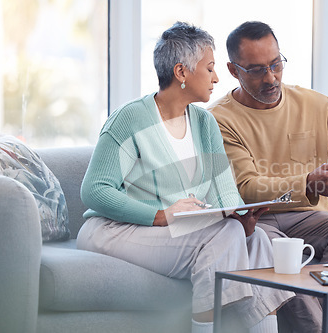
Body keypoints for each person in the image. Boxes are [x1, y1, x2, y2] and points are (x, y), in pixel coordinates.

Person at [76, 22, 293, 333]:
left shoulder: (205, 123)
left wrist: (242, 216)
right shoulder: (130, 119)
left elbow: (225, 192)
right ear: (181, 73)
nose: (217, 77)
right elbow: (95, 191)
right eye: (209, 68)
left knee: (255, 238)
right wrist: (161, 215)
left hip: (179, 230)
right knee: (226, 235)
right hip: (116, 230)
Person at [208, 21, 328, 333]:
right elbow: (246, 189)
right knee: (270, 251)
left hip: (310, 217)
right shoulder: (218, 120)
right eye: (257, 70)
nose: (270, 78)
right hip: (257, 220)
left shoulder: (314, 104)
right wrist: (308, 182)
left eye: (275, 64)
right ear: (233, 70)